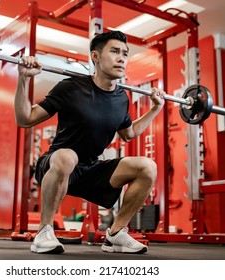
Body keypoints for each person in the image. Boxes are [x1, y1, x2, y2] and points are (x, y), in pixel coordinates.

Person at [14, 30, 165, 254]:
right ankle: (44, 232)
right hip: (57, 163)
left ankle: (116, 233)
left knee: (147, 166)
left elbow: (129, 133)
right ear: (95, 56)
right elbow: (25, 119)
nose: (122, 58)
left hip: (90, 169)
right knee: (68, 156)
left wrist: (155, 108)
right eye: (114, 51)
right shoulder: (70, 88)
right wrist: (24, 78)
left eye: (125, 53)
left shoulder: (121, 98)